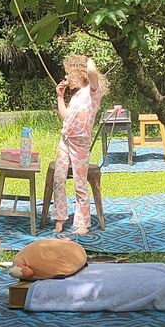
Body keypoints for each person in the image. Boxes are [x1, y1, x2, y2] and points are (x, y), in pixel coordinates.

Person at [51, 55, 107, 235]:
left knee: (79, 183)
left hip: (80, 145)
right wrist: (60, 97)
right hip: (65, 141)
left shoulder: (92, 92)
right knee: (58, 179)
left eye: (69, 74)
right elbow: (65, 117)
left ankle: (83, 223)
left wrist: (86, 59)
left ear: (79, 73)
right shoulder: (75, 96)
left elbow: (91, 70)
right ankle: (60, 218)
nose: (66, 78)